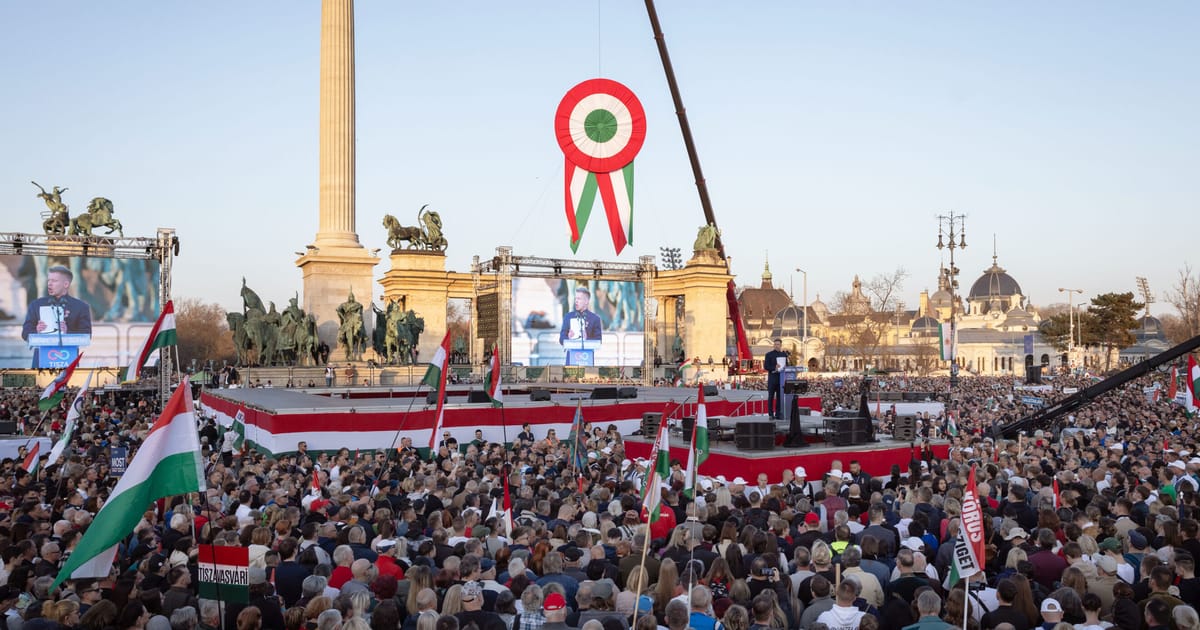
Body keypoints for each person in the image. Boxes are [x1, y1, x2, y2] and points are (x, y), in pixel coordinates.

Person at [21, 265, 93, 368]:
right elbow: (25, 333)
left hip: (68, 361)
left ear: (66, 284)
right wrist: (36, 330)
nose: (50, 284)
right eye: (49, 280)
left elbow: (86, 335)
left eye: (54, 281)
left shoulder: (81, 307)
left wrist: (68, 332)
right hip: (40, 362)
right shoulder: (36, 305)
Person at [763, 339, 787, 419]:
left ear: (781, 345)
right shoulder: (769, 354)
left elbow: (787, 365)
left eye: (778, 344)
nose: (777, 346)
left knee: (779, 397)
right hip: (772, 378)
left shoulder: (784, 355)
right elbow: (766, 366)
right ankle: (770, 414)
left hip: (781, 379)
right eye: (775, 344)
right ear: (773, 345)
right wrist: (774, 368)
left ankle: (778, 413)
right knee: (771, 397)